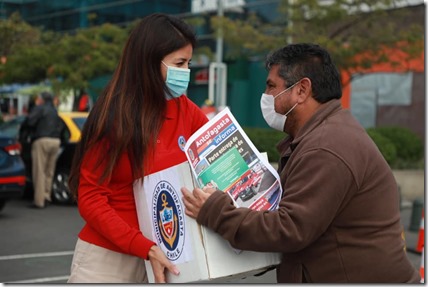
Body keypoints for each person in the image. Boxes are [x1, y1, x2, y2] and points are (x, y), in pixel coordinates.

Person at [181, 43, 420, 283]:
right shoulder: (322, 135)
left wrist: (215, 211)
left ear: (302, 90)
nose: (265, 96)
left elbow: (290, 229)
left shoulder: (327, 146)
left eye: (271, 86)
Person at [67, 13, 209, 283]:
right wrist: (143, 247)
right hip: (108, 259)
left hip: (169, 256)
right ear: (148, 62)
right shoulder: (114, 115)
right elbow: (91, 197)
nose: (186, 72)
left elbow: (220, 159)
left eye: (189, 63)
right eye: (179, 63)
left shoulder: (186, 110)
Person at [26, 91, 64, 208]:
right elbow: (60, 125)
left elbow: (30, 121)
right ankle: (47, 196)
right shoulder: (54, 110)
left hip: (42, 140)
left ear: (42, 99)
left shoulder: (40, 108)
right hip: (55, 141)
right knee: (49, 170)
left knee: (39, 171)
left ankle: (39, 201)